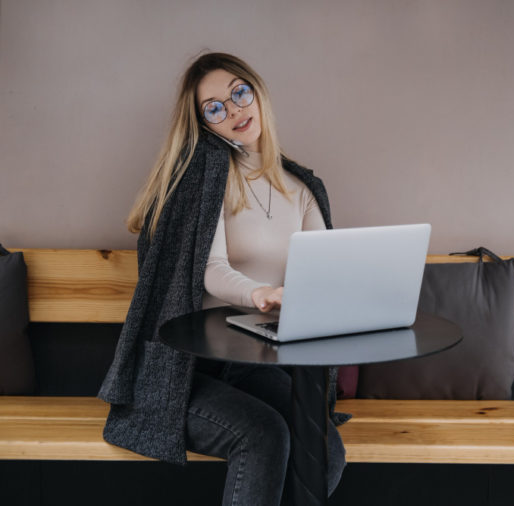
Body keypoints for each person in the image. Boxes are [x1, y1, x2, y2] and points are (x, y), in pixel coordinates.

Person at [98, 52, 347, 506]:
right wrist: (260, 292)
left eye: (239, 93)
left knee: (324, 450)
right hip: (190, 368)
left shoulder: (303, 187)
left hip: (260, 363)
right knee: (263, 434)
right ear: (204, 123)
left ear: (258, 93)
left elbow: (325, 269)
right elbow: (207, 268)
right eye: (215, 107)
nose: (233, 110)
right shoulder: (204, 177)